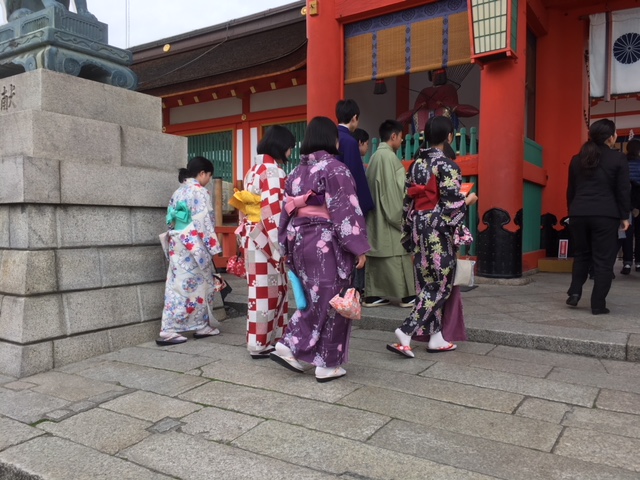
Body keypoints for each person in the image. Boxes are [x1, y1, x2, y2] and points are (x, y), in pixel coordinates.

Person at [272, 116, 370, 382]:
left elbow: (286, 213)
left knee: (315, 297)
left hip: (300, 240)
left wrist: (285, 246)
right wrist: (358, 247)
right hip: (326, 243)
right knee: (335, 300)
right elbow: (346, 211)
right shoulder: (335, 169)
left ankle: (302, 350)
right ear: (332, 139)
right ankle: (317, 357)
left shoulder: (294, 173)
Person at [387, 116, 477, 357]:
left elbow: (407, 203)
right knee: (440, 285)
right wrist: (467, 201)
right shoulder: (447, 166)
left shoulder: (415, 165)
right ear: (449, 137)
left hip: (418, 226)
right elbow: (451, 205)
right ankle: (405, 331)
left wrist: (408, 233)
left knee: (426, 282)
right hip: (437, 229)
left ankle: (436, 337)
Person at [230, 125, 296, 358]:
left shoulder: (253, 169)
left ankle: (267, 339)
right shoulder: (273, 171)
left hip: (251, 232)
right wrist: (283, 243)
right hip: (265, 236)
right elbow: (273, 212)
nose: (290, 153)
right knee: (268, 290)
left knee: (260, 290)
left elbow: (246, 206)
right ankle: (261, 343)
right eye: (290, 148)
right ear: (282, 146)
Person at [566, 119, 630, 314]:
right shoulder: (618, 158)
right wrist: (624, 216)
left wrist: (572, 212)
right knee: (603, 260)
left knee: (581, 255)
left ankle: (575, 293)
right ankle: (597, 304)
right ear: (611, 137)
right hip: (605, 214)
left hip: (579, 213)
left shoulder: (577, 159)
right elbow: (622, 190)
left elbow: (571, 190)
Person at [157, 156, 222, 346]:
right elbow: (204, 221)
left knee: (182, 285)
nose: (208, 179)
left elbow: (170, 219)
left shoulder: (178, 191)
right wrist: (213, 247)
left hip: (178, 242)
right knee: (191, 287)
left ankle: (201, 325)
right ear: (202, 173)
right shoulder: (199, 191)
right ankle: (169, 329)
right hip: (193, 245)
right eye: (209, 175)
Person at [363, 119, 416, 308]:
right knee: (397, 255)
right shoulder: (388, 158)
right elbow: (392, 194)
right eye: (401, 137)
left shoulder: (376, 156)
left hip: (376, 218)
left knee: (380, 256)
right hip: (388, 218)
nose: (401, 141)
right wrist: (402, 220)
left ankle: (375, 295)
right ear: (393, 136)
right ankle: (406, 296)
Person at [336, 99, 374, 217]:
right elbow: (355, 174)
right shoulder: (350, 142)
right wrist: (366, 204)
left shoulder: (332, 136)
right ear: (354, 117)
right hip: (347, 202)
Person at [620, 138, 640, 274]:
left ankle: (627, 263)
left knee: (626, 233)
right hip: (639, 203)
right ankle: (639, 263)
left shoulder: (623, 163)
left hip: (625, 203)